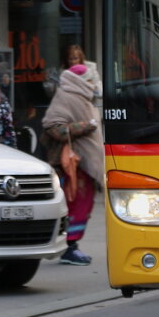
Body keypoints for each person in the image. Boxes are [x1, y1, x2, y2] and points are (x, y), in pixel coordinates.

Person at [41, 64, 104, 266]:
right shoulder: (66, 96)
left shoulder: (85, 97)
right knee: (74, 205)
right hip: (73, 166)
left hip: (84, 165)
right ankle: (69, 246)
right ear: (82, 80)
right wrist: (85, 126)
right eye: (91, 79)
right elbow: (53, 126)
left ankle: (71, 245)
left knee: (83, 206)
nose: (94, 83)